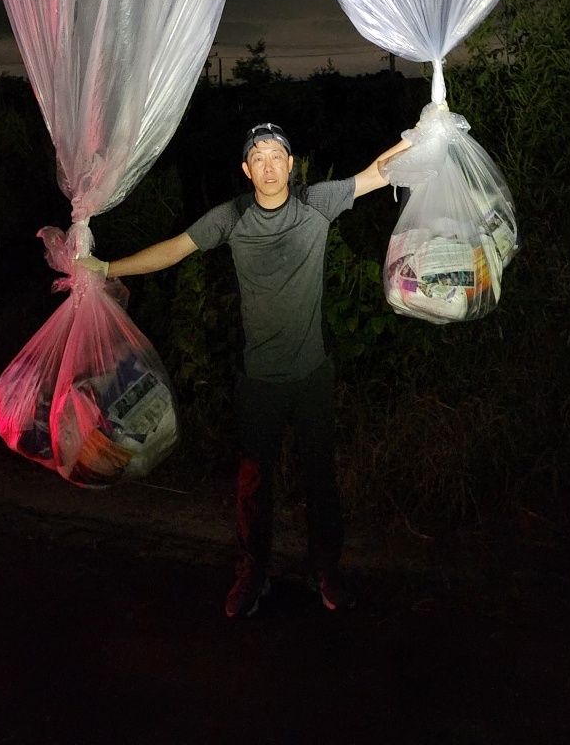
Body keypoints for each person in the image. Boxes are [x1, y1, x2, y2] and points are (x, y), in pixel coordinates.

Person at [77, 120, 410, 618]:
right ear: (246, 169)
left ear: (291, 165)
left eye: (278, 154)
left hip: (312, 373)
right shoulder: (230, 218)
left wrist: (428, 131)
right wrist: (106, 269)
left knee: (321, 478)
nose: (270, 164)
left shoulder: (316, 203)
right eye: (259, 156)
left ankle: (327, 570)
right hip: (258, 379)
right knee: (255, 483)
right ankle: (253, 574)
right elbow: (173, 250)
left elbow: (378, 173)